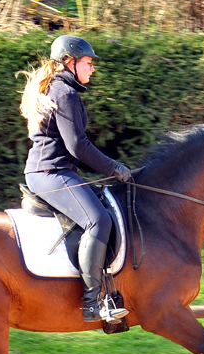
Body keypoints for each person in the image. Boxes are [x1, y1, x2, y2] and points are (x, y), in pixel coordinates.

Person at [19, 35, 131, 323]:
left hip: (50, 171)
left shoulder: (58, 88)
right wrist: (114, 168)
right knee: (99, 220)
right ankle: (94, 301)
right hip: (51, 173)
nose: (92, 69)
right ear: (70, 62)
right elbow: (77, 146)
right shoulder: (65, 94)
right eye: (88, 62)